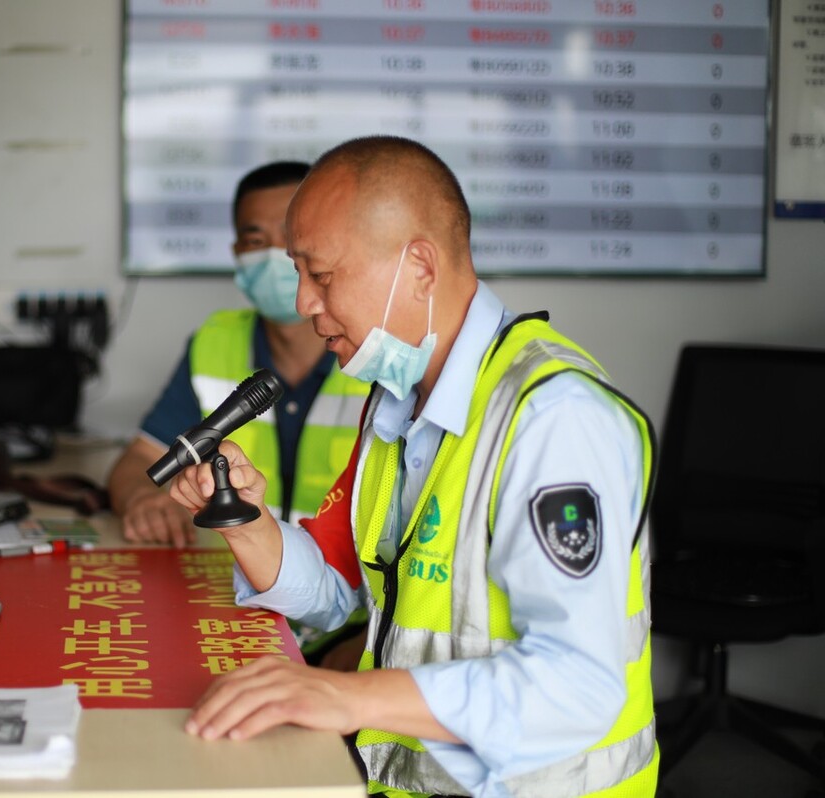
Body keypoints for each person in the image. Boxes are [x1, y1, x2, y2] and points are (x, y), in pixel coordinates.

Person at [167, 136, 659, 797]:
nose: (305, 302)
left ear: (419, 265)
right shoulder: (396, 403)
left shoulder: (552, 419)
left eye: (323, 275)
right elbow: (337, 592)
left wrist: (349, 698)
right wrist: (246, 519)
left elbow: (579, 685)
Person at [107, 160, 370, 664]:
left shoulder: (377, 357)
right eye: (255, 240)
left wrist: (350, 669)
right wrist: (148, 501)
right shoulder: (216, 342)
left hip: (348, 632)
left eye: (291, 239)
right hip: (240, 617)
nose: (276, 257)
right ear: (236, 254)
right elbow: (134, 465)